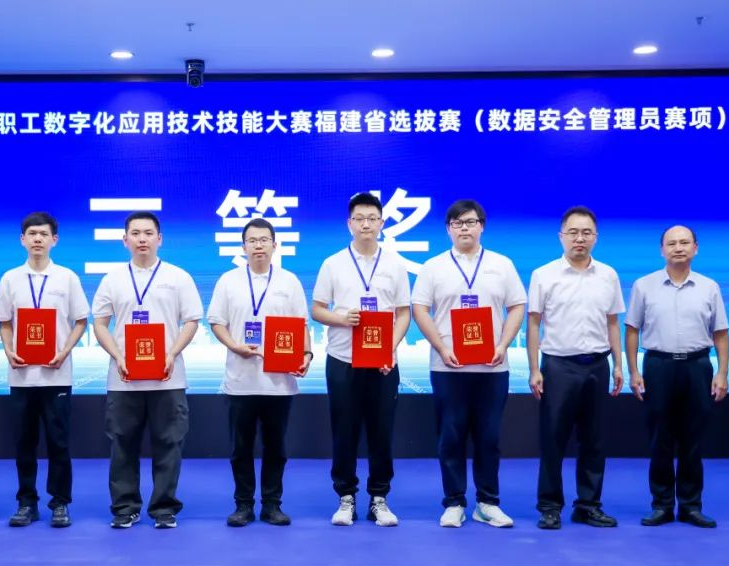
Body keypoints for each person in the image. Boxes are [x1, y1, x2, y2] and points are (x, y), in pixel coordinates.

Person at [412, 199, 526, 529]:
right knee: (451, 436)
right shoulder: (433, 267)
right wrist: (441, 347)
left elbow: (518, 306)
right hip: (448, 367)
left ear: (482, 227)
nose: (464, 228)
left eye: (471, 222)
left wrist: (503, 345)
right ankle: (454, 502)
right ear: (448, 229)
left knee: (489, 437)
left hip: (492, 367)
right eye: (457, 223)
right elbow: (419, 309)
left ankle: (488, 502)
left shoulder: (502, 264)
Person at [92, 211, 203, 529]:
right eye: (136, 233)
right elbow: (99, 323)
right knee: (122, 443)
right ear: (124, 239)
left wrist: (172, 353)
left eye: (148, 233)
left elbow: (191, 321)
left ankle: (164, 508)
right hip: (124, 378)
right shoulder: (112, 279)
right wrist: (117, 355)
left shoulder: (178, 277)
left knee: (169, 443)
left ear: (159, 239)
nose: (142, 239)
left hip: (168, 377)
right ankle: (125, 507)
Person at [311, 192, 410, 527]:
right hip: (342, 359)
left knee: (382, 430)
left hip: (383, 363)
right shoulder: (333, 263)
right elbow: (317, 310)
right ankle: (346, 497)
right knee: (345, 429)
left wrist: (389, 348)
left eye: (372, 218)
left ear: (381, 223)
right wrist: (341, 318)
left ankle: (379, 498)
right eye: (359, 218)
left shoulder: (395, 264)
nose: (366, 224)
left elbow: (404, 313)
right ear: (349, 224)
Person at [207, 218, 312, 527]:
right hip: (240, 380)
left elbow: (301, 324)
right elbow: (217, 322)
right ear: (243, 247)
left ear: (275, 245)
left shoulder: (289, 281)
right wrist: (235, 346)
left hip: (279, 382)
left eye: (264, 240)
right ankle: (243, 505)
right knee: (240, 448)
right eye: (252, 241)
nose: (258, 246)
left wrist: (306, 354)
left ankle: (272, 505)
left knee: (275, 448)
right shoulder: (228, 281)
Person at [527, 206, 624, 530]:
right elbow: (533, 323)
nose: (579, 238)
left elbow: (613, 323)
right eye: (573, 232)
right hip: (558, 366)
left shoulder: (608, 275)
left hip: (598, 364)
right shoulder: (543, 275)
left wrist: (619, 364)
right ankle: (549, 506)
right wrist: (534, 369)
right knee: (553, 439)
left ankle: (588, 505)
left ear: (595, 237)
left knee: (594, 440)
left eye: (586, 233)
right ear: (561, 236)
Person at [626, 225, 729, 529]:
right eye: (672, 243)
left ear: (695, 248)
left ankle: (690, 506)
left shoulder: (709, 287)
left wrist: (722, 372)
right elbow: (631, 330)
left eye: (685, 242)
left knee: (692, 439)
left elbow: (721, 333)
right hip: (659, 366)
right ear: (662, 250)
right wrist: (633, 370)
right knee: (660, 439)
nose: (678, 248)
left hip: (697, 366)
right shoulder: (644, 286)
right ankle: (661, 505)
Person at [0, 212, 89, 528]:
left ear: (54, 240)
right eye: (32, 234)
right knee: (24, 442)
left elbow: (80, 321)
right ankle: (26, 502)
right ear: (22, 239)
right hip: (21, 375)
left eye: (43, 234)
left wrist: (65, 351)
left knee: (58, 442)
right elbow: (5, 322)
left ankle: (60, 502)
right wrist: (8, 350)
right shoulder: (10, 278)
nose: (37, 239)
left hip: (56, 374)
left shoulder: (67, 277)